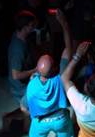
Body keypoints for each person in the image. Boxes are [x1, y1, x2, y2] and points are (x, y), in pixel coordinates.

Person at [25, 9, 75, 137]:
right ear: (54, 69)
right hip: (60, 119)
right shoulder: (61, 77)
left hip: (41, 122)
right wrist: (64, 24)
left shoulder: (32, 84)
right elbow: (69, 48)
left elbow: (23, 108)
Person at [9, 10, 40, 110]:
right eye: (32, 25)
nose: (34, 27)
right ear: (24, 27)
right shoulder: (17, 49)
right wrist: (35, 70)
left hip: (25, 81)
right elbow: (15, 75)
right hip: (20, 88)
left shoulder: (19, 35)